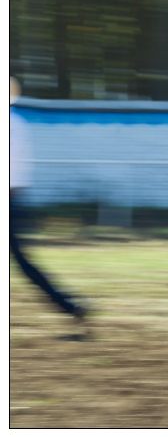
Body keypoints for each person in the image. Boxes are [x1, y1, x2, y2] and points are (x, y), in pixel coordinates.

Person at [10, 77, 87, 320]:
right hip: (13, 200)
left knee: (23, 264)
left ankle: (69, 305)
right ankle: (69, 305)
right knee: (24, 264)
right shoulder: (17, 124)